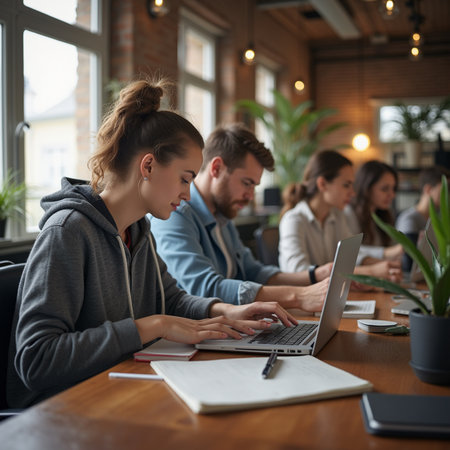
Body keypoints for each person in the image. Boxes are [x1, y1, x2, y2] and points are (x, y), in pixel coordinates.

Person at [7, 80, 297, 408]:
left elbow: (170, 300)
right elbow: (36, 360)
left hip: (123, 393)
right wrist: (154, 326)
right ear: (147, 166)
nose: (188, 194)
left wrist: (225, 310)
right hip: (67, 412)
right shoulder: (67, 232)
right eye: (185, 179)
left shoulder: (138, 230)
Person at [151, 123, 330, 312]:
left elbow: (253, 271)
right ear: (217, 168)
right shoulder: (175, 213)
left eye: (254, 187)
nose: (250, 195)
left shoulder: (222, 215)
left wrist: (316, 275)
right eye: (247, 183)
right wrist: (299, 296)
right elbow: (205, 288)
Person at [278, 150, 402, 283]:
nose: (353, 193)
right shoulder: (294, 220)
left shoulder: (337, 216)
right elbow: (298, 272)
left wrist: (384, 267)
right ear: (322, 184)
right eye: (346, 185)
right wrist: (371, 271)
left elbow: (352, 255)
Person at [344, 160, 403, 263]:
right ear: (367, 187)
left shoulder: (382, 215)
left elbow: (394, 250)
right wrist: (386, 252)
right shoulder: (348, 213)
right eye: (385, 189)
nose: (392, 195)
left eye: (393, 189)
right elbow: (349, 251)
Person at [395, 166, 450, 270]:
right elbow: (409, 262)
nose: (448, 193)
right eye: (446, 188)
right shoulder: (409, 219)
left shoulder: (440, 218)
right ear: (428, 189)